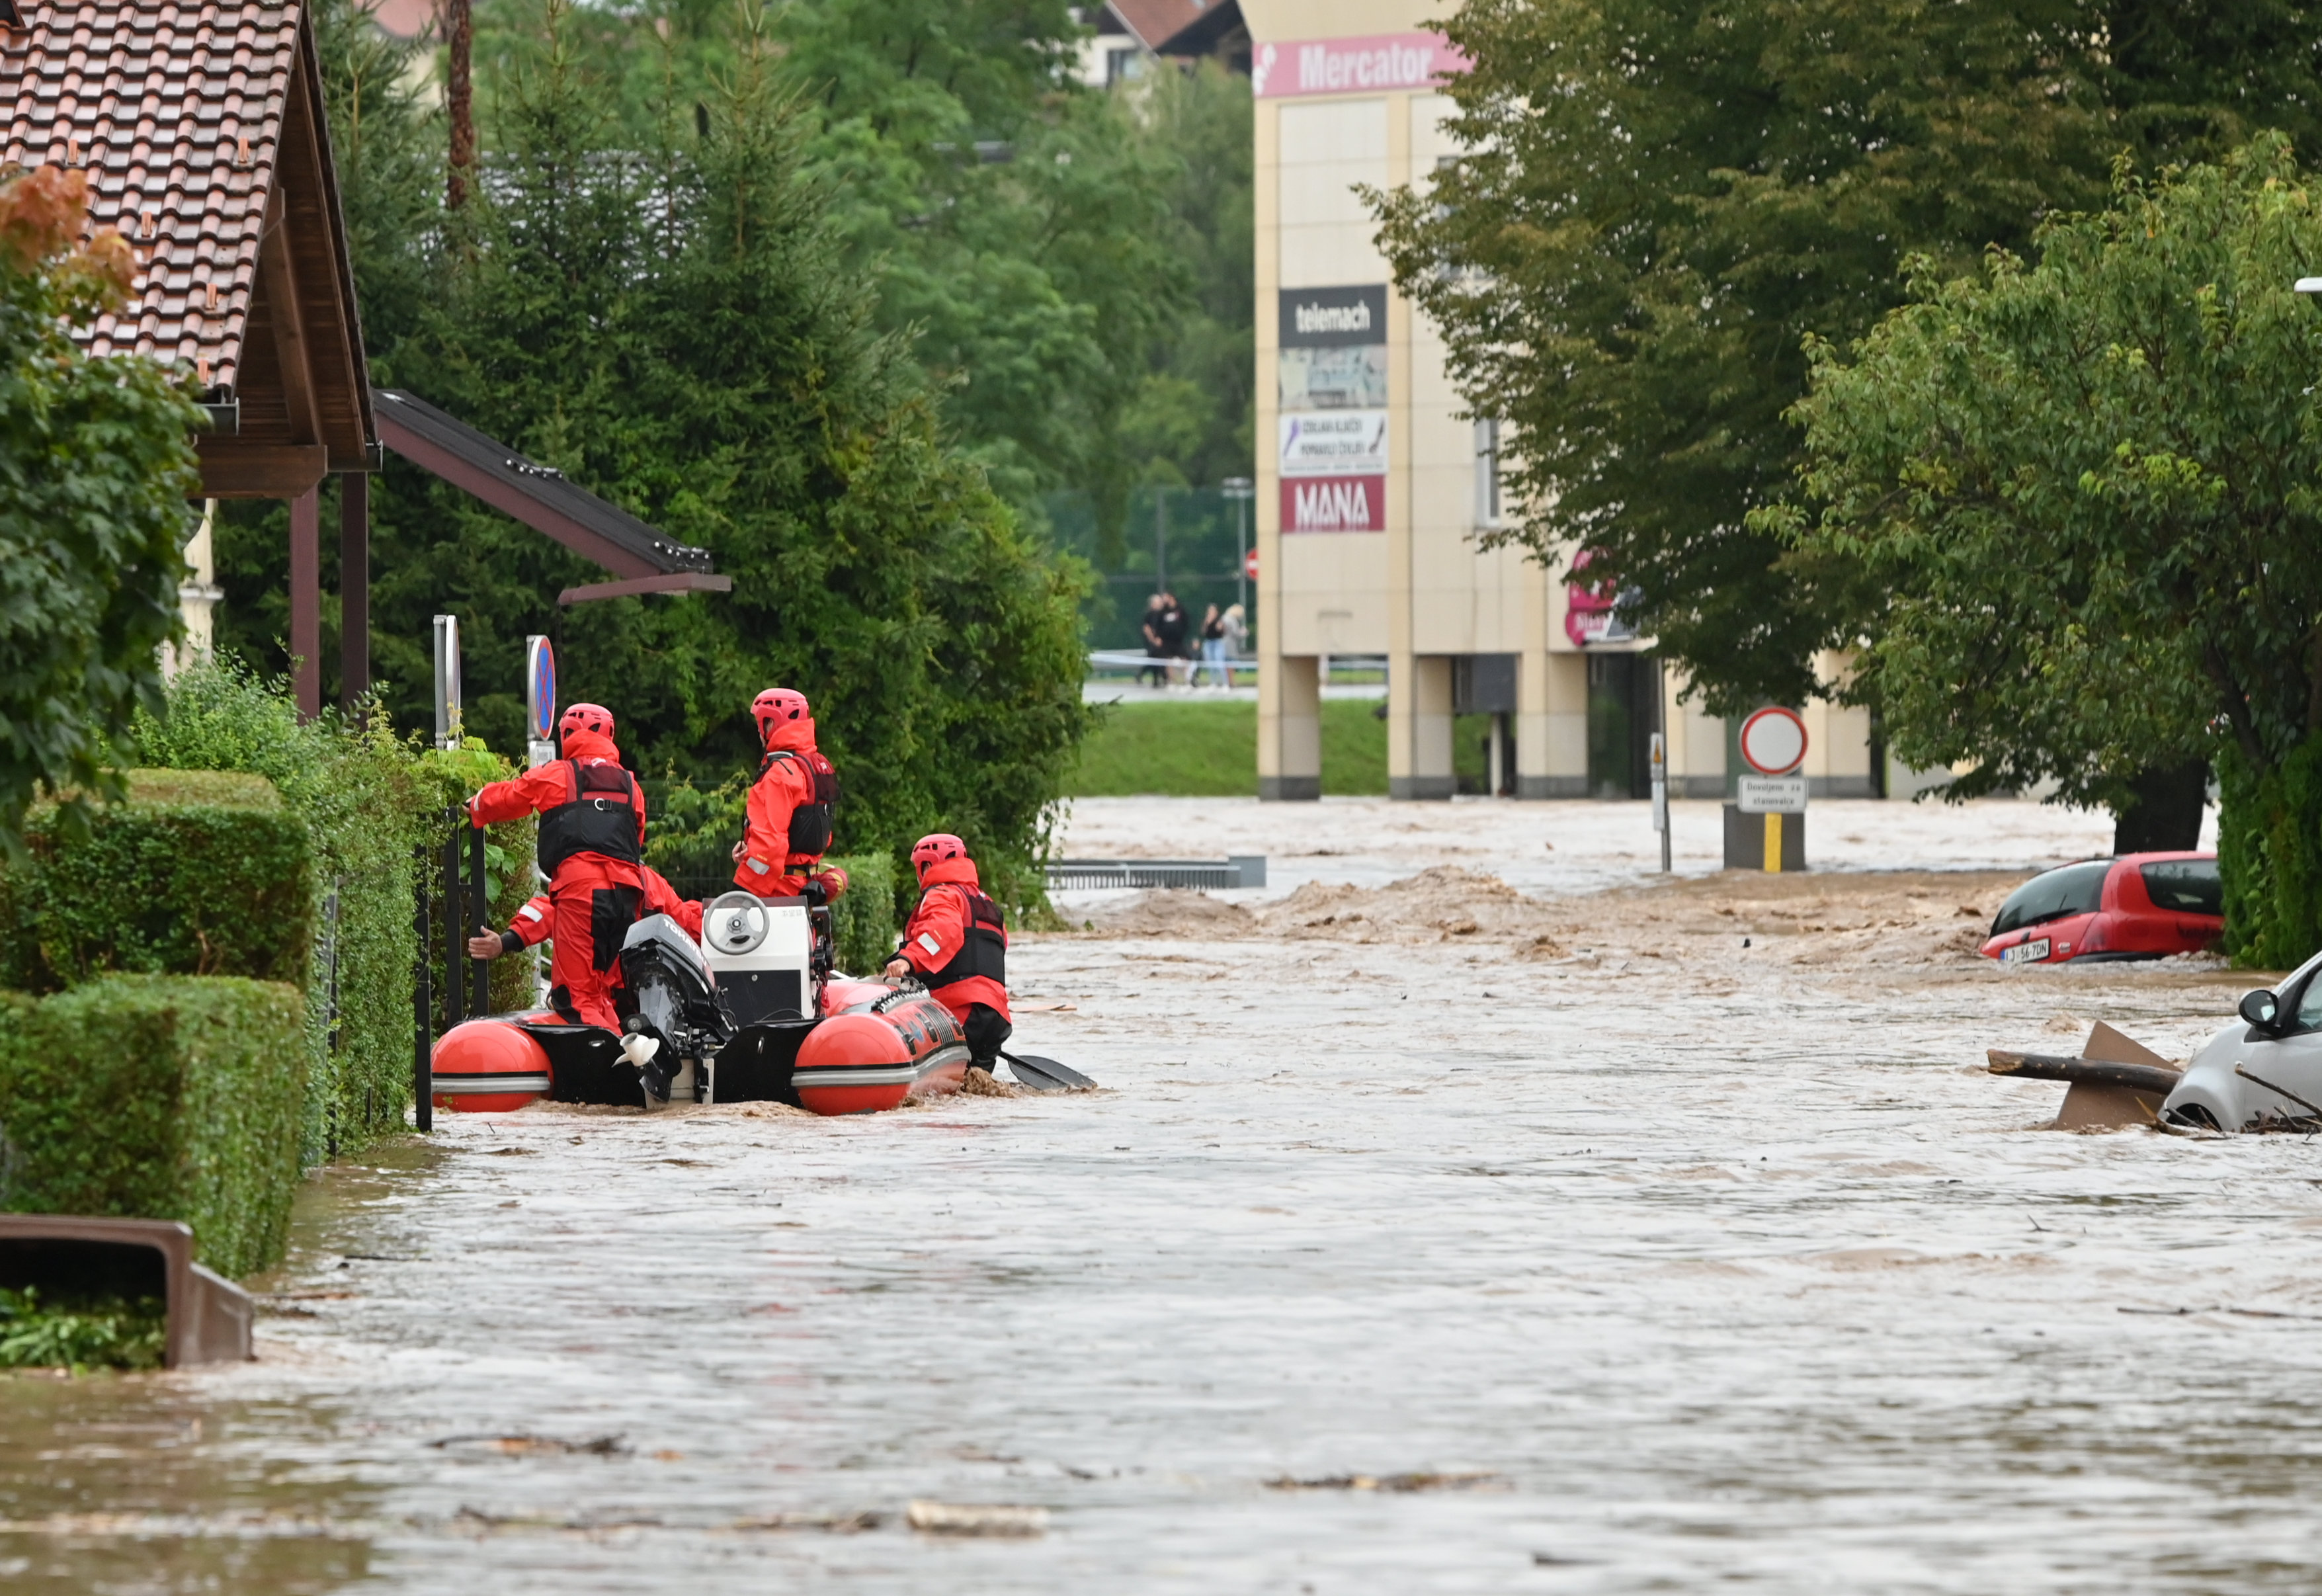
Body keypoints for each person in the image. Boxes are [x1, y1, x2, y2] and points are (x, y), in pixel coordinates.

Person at [465, 703, 649, 1029]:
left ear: (566, 736)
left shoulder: (559, 774)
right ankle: (630, 1054)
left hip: (581, 891)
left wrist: (479, 805)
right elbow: (635, 839)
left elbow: (514, 795)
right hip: (627, 896)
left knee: (575, 1000)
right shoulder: (632, 786)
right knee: (602, 992)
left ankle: (609, 1070)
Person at [882, 833, 1011, 1074]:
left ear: (928, 865)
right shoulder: (985, 902)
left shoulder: (941, 895)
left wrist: (909, 959)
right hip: (997, 1017)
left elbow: (945, 931)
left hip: (960, 1010)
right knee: (973, 1086)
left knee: (949, 1089)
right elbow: (1001, 942)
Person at [733, 688, 849, 902]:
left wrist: (743, 893)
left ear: (771, 723)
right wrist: (750, 849)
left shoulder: (780, 774)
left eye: (761, 723)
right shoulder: (816, 765)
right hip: (808, 887)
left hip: (778, 890)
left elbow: (770, 846)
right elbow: (818, 835)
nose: (759, 731)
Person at [470, 864, 704, 966]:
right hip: (614, 995)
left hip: (622, 995)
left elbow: (686, 921)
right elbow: (549, 912)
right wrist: (505, 942)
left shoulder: (649, 884)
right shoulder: (647, 882)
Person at [1153, 591, 1189, 687]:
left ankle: (1187, 680)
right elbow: (1158, 626)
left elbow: (1186, 623)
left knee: (1184, 659)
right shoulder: (1163, 612)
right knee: (1168, 660)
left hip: (1178, 640)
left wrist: (1182, 633)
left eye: (1166, 597)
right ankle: (1171, 681)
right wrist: (1158, 637)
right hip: (1167, 641)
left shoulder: (1180, 609)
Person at [1138, 594, 1169, 687]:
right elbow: (1146, 628)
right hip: (1152, 642)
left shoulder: (1162, 615)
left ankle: (1161, 677)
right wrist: (1153, 640)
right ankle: (1161, 677)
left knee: (1158, 659)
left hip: (1160, 641)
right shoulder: (1149, 615)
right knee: (1153, 659)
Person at [1198, 603, 1227, 688]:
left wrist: (1219, 627)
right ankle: (1213, 682)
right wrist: (1207, 622)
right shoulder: (1206, 620)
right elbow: (1203, 631)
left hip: (1217, 642)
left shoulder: (1219, 620)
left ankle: (1225, 683)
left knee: (1219, 663)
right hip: (1209, 642)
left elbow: (1221, 631)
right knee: (1210, 663)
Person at [1220, 603, 1249, 687]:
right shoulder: (1232, 620)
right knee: (1231, 663)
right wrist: (1244, 633)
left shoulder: (1224, 618)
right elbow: (1235, 633)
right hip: (1230, 644)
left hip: (1223, 642)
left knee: (1226, 664)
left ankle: (1227, 681)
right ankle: (1230, 682)